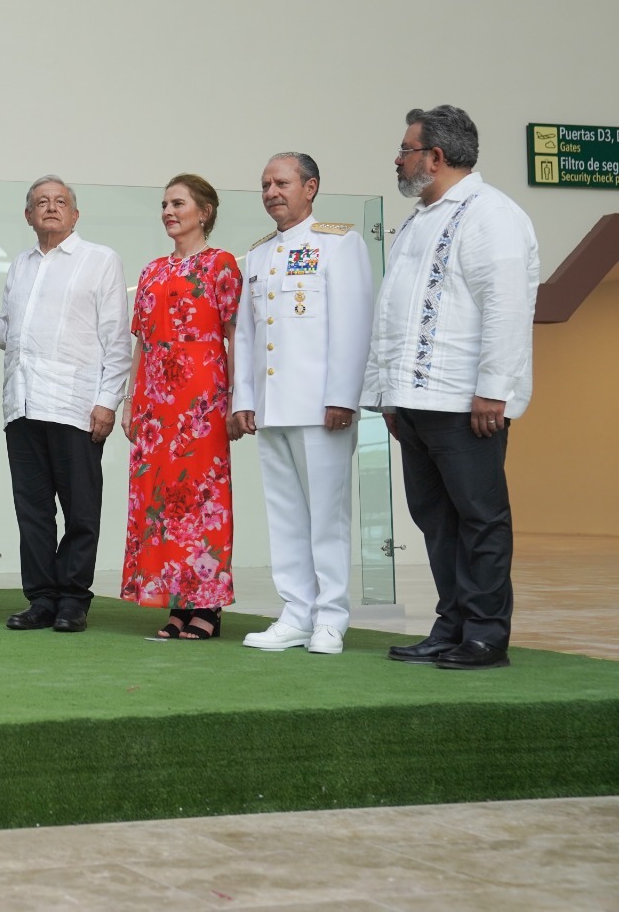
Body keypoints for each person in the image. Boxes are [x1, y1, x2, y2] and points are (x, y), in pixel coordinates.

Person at [366, 105, 538, 671]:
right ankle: (453, 624)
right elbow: (391, 313)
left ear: (435, 157)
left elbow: (507, 309)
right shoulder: (419, 218)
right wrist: (385, 391)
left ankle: (486, 634)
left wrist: (495, 390)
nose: (398, 158)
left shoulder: (493, 216)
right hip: (414, 403)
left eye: (406, 148)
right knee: (434, 519)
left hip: (465, 404)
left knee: (480, 518)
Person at [0, 176, 131, 632]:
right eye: (41, 202)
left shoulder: (100, 261)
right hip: (22, 406)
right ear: (28, 215)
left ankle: (73, 601)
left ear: (75, 214)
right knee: (33, 511)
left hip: (77, 405)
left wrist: (107, 401)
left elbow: (117, 341)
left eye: (61, 201)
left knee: (80, 509)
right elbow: (10, 334)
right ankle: (41, 599)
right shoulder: (20, 266)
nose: (51, 208)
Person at [230, 153, 373, 656]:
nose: (272, 191)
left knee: (326, 518)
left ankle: (331, 617)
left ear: (310, 187)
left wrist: (342, 396)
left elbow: (353, 324)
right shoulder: (259, 253)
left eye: (282, 182)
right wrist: (244, 399)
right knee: (285, 516)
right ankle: (295, 613)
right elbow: (246, 336)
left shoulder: (339, 242)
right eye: (265, 183)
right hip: (272, 408)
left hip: (320, 407)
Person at [121, 174, 241, 641]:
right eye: (165, 205)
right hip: (154, 406)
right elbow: (141, 345)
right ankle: (176, 602)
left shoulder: (222, 265)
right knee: (160, 503)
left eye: (179, 203)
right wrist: (131, 402)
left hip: (203, 403)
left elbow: (236, 337)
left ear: (205, 212)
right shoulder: (150, 271)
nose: (169, 212)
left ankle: (206, 606)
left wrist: (237, 399)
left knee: (202, 502)